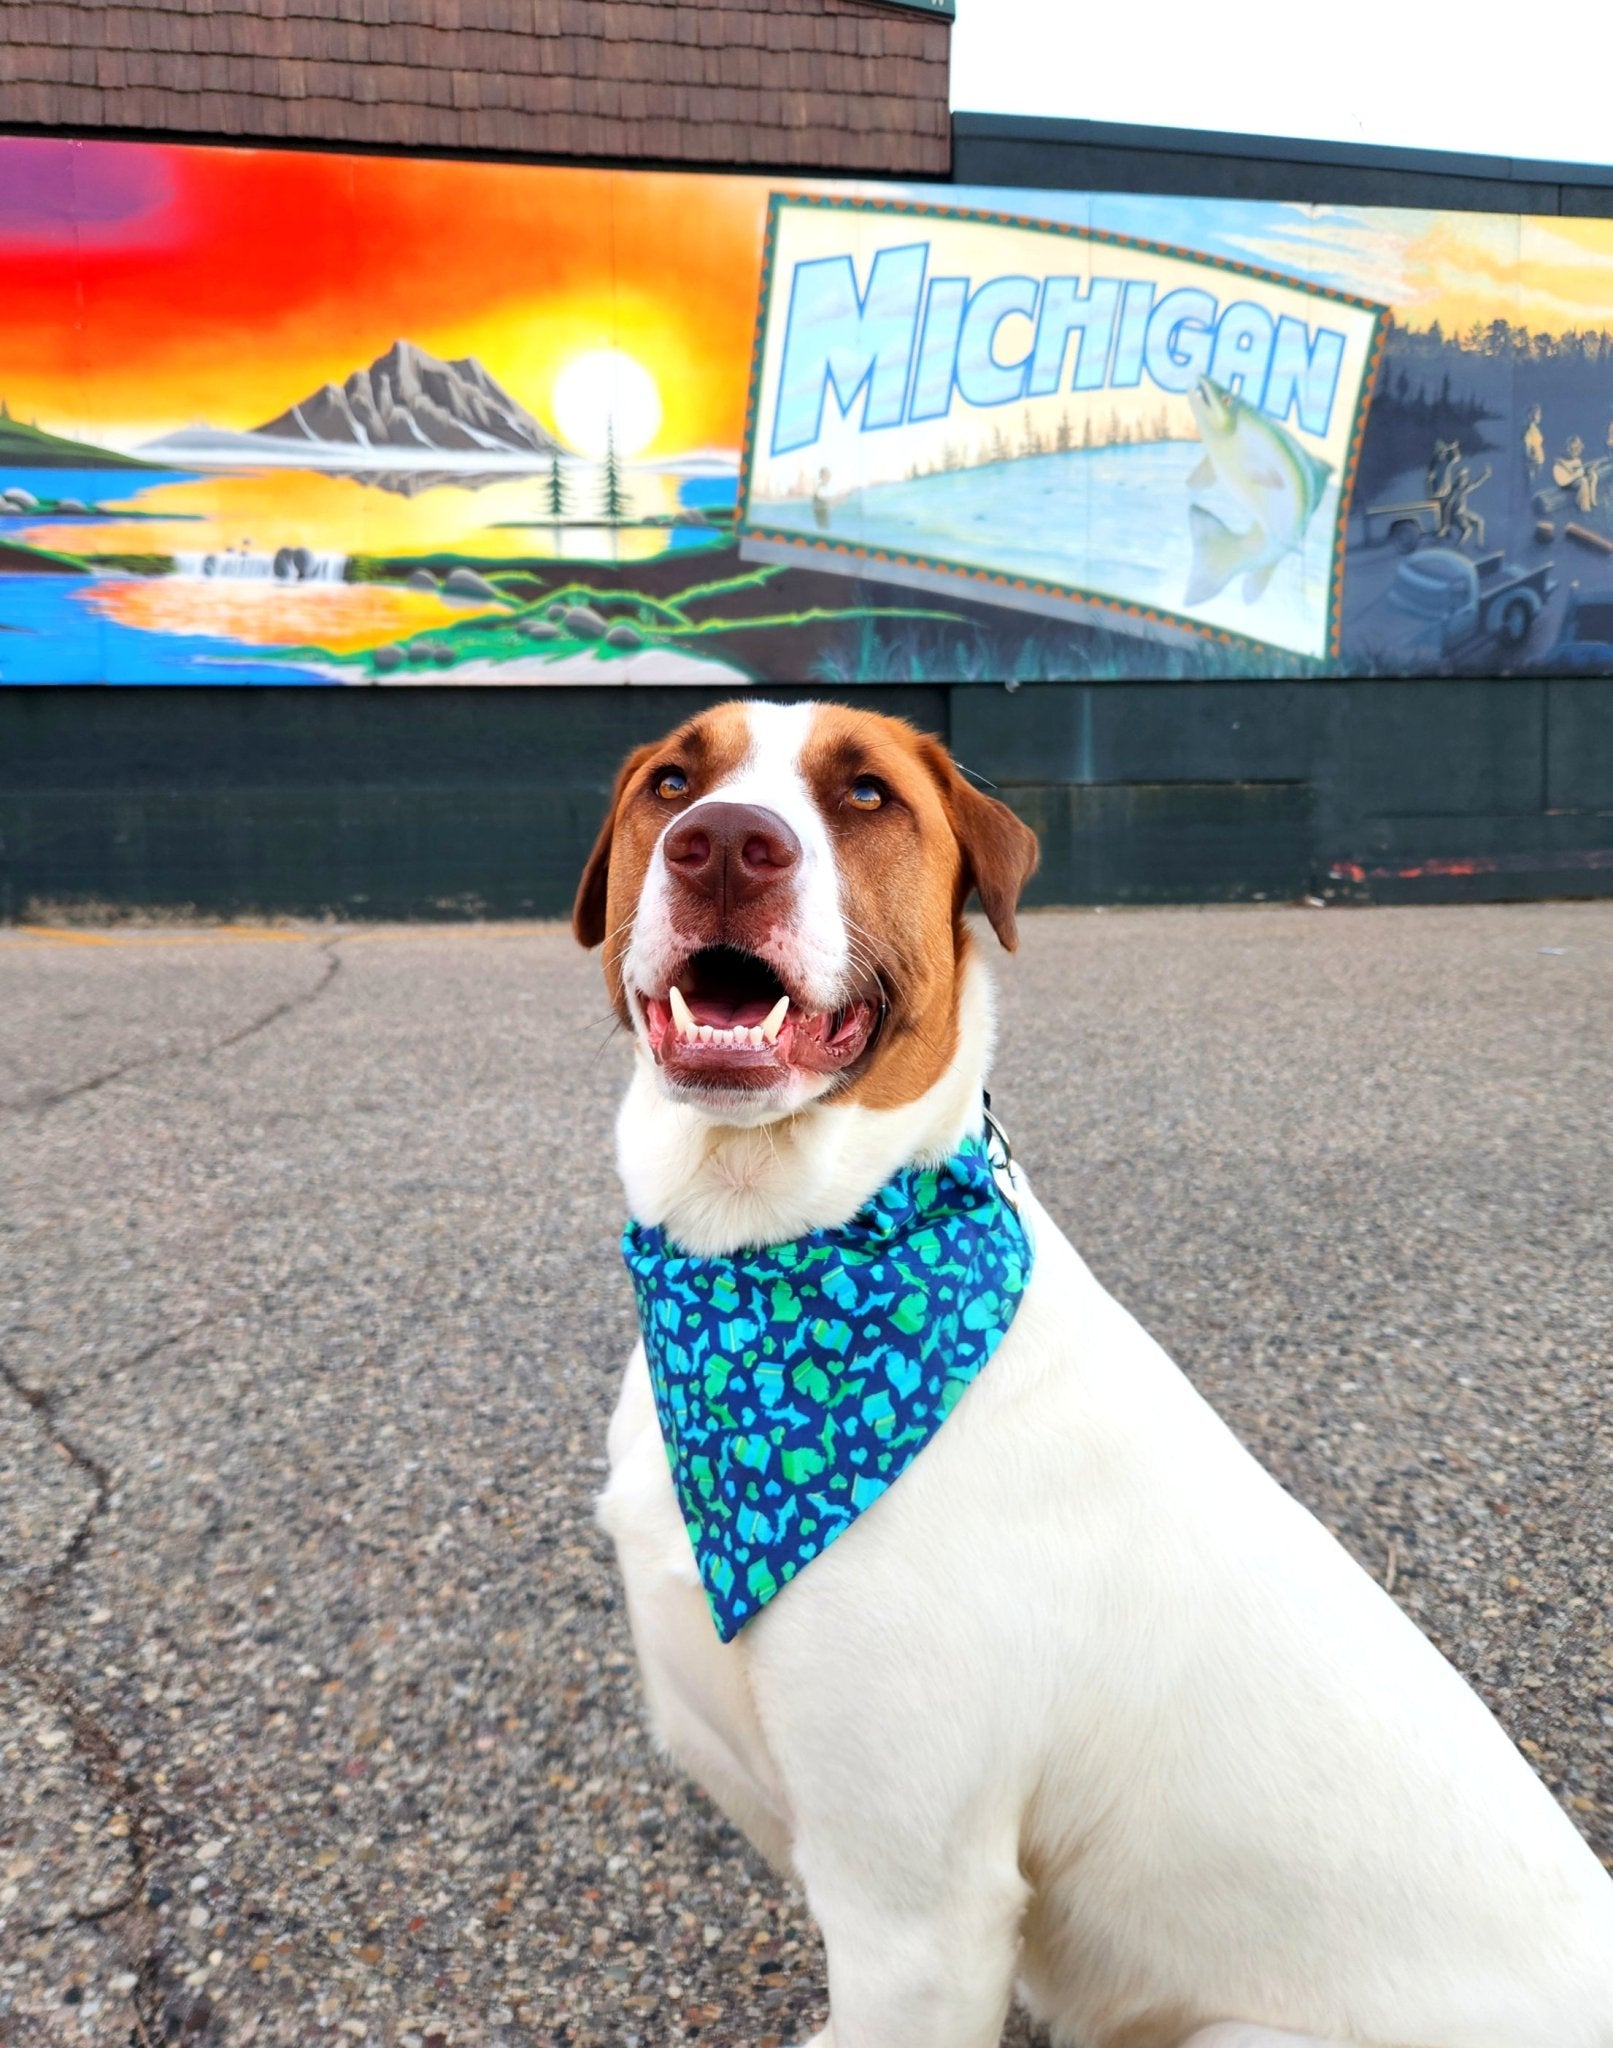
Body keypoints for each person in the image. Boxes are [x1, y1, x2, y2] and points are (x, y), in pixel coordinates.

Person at [1448, 465, 1491, 549]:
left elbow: (1475, 484)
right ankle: (1457, 548)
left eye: (1466, 477)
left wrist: (1485, 475)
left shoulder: (1463, 488)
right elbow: (1448, 505)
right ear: (1459, 479)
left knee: (1479, 521)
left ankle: (1479, 545)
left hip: (1463, 512)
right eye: (1463, 477)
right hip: (1455, 514)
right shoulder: (1456, 490)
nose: (1465, 479)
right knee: (1467, 529)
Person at [1553, 434, 1598, 513]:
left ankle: (1592, 500)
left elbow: (1579, 472)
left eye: (1578, 449)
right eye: (1574, 450)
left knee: (1593, 475)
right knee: (1583, 481)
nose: (1576, 453)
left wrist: (1588, 470)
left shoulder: (1577, 460)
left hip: (1574, 480)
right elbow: (1563, 481)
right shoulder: (1559, 463)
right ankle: (1585, 507)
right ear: (1568, 449)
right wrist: (1575, 474)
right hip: (1566, 484)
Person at [1522, 405, 1545, 491]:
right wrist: (1530, 461)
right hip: (1532, 465)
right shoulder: (1527, 429)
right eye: (1538, 414)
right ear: (1530, 415)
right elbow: (1526, 447)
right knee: (1532, 489)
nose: (1540, 416)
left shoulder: (1535, 429)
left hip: (1538, 463)